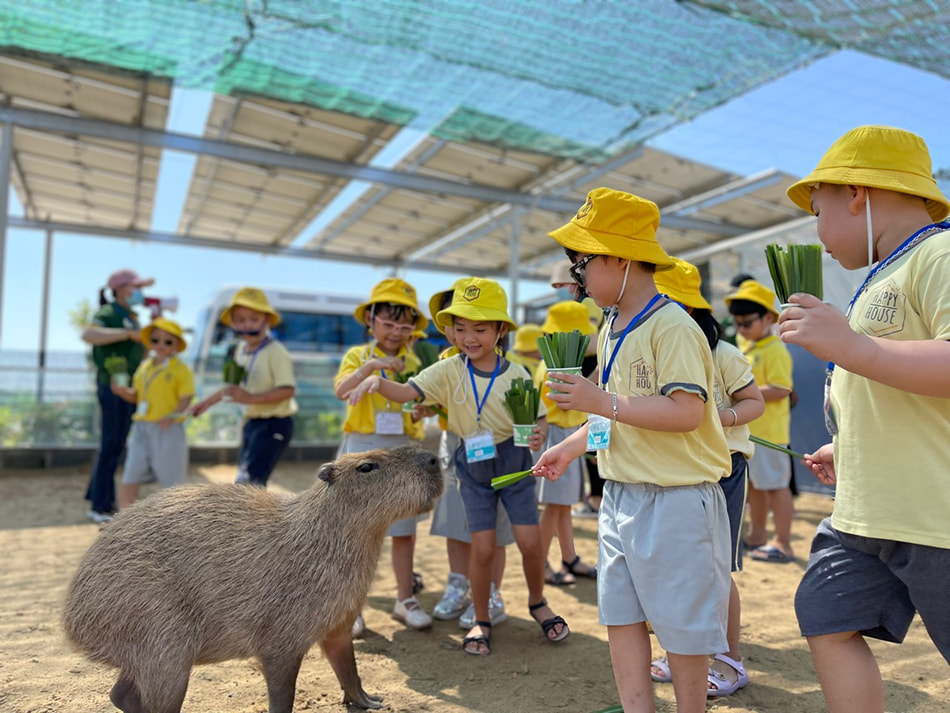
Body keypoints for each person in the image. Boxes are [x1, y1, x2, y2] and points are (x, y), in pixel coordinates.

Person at [532, 187, 731, 713]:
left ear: (619, 257)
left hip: (677, 500)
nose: (576, 277)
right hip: (621, 496)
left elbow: (686, 412)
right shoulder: (614, 323)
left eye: (582, 263)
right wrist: (572, 447)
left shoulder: (673, 325)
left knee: (682, 629)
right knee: (620, 615)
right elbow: (610, 419)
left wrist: (602, 399)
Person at [780, 124, 950, 713]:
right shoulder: (879, 275)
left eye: (818, 210)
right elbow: (895, 393)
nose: (818, 233)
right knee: (826, 615)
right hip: (866, 510)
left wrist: (855, 348)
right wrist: (848, 448)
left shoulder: (940, 254)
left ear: (857, 193)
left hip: (935, 516)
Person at [347, 277, 569, 656]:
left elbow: (539, 419)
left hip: (514, 465)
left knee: (531, 543)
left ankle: (537, 602)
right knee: (480, 548)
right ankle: (480, 618)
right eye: (461, 328)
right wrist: (376, 382)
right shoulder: (448, 370)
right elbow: (407, 392)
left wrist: (538, 434)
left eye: (480, 328)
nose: (469, 337)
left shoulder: (517, 374)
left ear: (501, 330)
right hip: (473, 467)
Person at [650, 258, 765, 697]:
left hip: (724, 470)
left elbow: (754, 400)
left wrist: (723, 417)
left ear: (692, 311)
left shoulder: (723, 354)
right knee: (679, 568)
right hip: (678, 471)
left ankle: (729, 660)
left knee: (717, 570)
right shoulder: (654, 351)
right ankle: (687, 654)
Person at [331, 277, 432, 634]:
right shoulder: (357, 356)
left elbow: (423, 405)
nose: (395, 331)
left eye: (403, 325)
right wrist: (373, 367)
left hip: (403, 448)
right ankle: (351, 607)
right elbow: (343, 390)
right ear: (370, 321)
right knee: (357, 530)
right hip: (363, 447)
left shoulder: (415, 361)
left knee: (404, 530)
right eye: (388, 323)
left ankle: (405, 599)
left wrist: (422, 411)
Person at [424, 283, 512, 631]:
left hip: (497, 450)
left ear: (497, 327)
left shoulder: (510, 367)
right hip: (456, 444)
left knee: (495, 528)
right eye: (455, 324)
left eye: (477, 324)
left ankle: (490, 594)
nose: (462, 333)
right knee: (456, 523)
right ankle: (459, 586)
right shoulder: (445, 363)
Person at [191, 287, 297, 486]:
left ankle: (254, 517)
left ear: (267, 320)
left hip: (275, 422)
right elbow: (233, 388)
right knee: (244, 478)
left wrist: (249, 399)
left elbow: (287, 391)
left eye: (254, 319)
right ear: (232, 324)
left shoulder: (276, 351)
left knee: (251, 482)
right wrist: (205, 403)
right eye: (240, 320)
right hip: (252, 422)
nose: (247, 325)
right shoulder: (240, 349)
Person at [725, 280, 795, 563]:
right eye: (737, 324)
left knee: (776, 486)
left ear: (768, 318)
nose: (741, 329)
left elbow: (782, 389)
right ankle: (757, 535)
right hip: (750, 432)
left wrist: (742, 393)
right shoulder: (747, 344)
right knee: (754, 486)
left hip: (771, 433)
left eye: (747, 323)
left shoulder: (775, 349)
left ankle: (783, 542)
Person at [80, 269, 154, 523]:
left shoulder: (132, 316)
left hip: (128, 389)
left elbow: (143, 353)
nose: (141, 292)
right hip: (112, 387)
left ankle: (97, 497)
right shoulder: (109, 313)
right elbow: (88, 335)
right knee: (111, 445)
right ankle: (100, 506)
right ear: (122, 289)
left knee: (115, 445)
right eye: (137, 287)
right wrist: (127, 334)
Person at [534, 300, 598, 585]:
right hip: (559, 435)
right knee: (554, 506)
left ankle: (568, 556)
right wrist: (602, 375)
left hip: (563, 435)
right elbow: (575, 402)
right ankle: (540, 562)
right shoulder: (555, 365)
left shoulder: (554, 362)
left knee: (562, 506)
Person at [110, 318, 194, 510]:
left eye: (168, 341)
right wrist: (123, 392)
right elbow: (138, 397)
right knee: (131, 474)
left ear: (177, 345)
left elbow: (186, 397)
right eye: (155, 340)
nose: (161, 345)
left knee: (173, 481)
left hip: (168, 428)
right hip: (141, 427)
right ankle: (123, 520)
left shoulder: (181, 369)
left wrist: (171, 417)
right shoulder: (144, 367)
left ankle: (177, 524)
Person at [575, 296, 606, 518]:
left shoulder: (589, 302)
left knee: (594, 442)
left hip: (591, 376)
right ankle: (596, 497)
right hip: (592, 378)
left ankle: (597, 499)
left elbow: (591, 340)